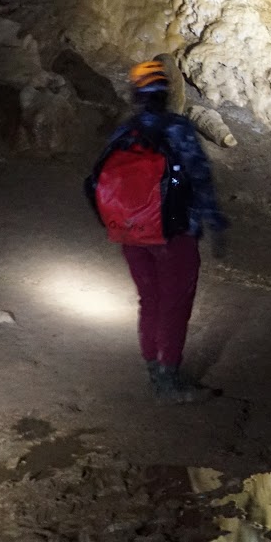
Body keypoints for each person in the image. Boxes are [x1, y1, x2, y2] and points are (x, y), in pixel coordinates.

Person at [86, 59, 229, 403]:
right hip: (173, 233)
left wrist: (115, 222)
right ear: (166, 92)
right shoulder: (177, 129)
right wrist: (214, 221)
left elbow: (94, 182)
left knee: (149, 299)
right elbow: (199, 178)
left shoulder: (124, 132)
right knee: (174, 303)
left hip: (131, 233)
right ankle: (169, 380)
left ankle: (154, 368)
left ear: (136, 94)